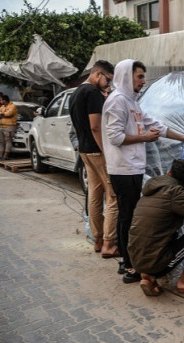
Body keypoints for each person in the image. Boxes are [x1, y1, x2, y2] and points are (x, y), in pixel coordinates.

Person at [102, 59, 184, 283]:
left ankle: (129, 260)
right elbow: (115, 137)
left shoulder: (132, 102)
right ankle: (129, 265)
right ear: (127, 77)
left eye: (144, 77)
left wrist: (183, 137)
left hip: (133, 167)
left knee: (131, 215)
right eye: (139, 77)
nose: (143, 82)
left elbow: (156, 126)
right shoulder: (117, 102)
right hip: (122, 168)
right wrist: (144, 138)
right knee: (128, 217)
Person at [128, 159, 184, 296]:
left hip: (135, 258)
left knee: (154, 235)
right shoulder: (175, 193)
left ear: (168, 173)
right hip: (156, 262)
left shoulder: (151, 189)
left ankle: (148, 276)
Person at [69, 60, 119, 257]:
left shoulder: (75, 93)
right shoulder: (92, 93)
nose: (108, 84)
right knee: (113, 197)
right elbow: (96, 126)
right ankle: (108, 244)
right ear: (98, 74)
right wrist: (106, 151)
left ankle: (98, 240)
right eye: (108, 80)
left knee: (95, 195)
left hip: (84, 150)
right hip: (97, 151)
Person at [0, 94, 18, 160]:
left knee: (8, 141)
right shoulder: (2, 107)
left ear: (4, 100)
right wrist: (3, 114)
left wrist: (2, 114)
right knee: (1, 141)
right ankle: (1, 154)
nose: (0, 101)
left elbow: (9, 114)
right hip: (1, 126)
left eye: (1, 100)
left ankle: (6, 155)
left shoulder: (12, 106)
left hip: (9, 126)